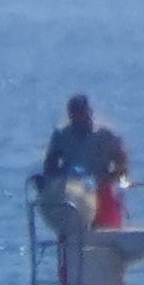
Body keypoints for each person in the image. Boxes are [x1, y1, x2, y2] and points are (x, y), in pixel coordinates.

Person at [42, 95, 131, 230]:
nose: (78, 117)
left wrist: (109, 179)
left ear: (89, 112)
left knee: (107, 231)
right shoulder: (61, 136)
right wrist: (56, 181)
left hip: (101, 191)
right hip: (73, 195)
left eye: (81, 112)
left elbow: (122, 163)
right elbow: (50, 165)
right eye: (74, 113)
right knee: (74, 229)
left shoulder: (105, 135)